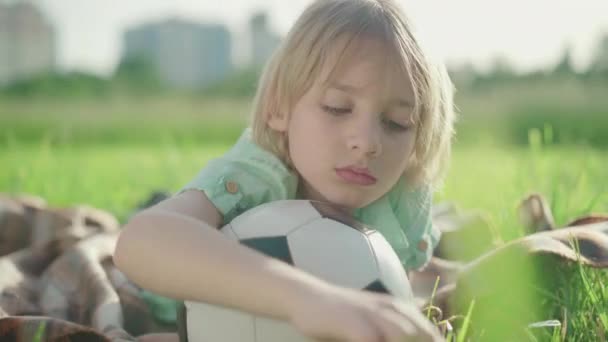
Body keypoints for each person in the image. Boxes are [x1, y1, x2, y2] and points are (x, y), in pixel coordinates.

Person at [114, 0, 456, 340]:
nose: (367, 143)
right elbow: (139, 241)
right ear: (279, 109)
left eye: (397, 123)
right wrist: (309, 300)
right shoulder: (257, 174)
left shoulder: (401, 198)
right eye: (338, 108)